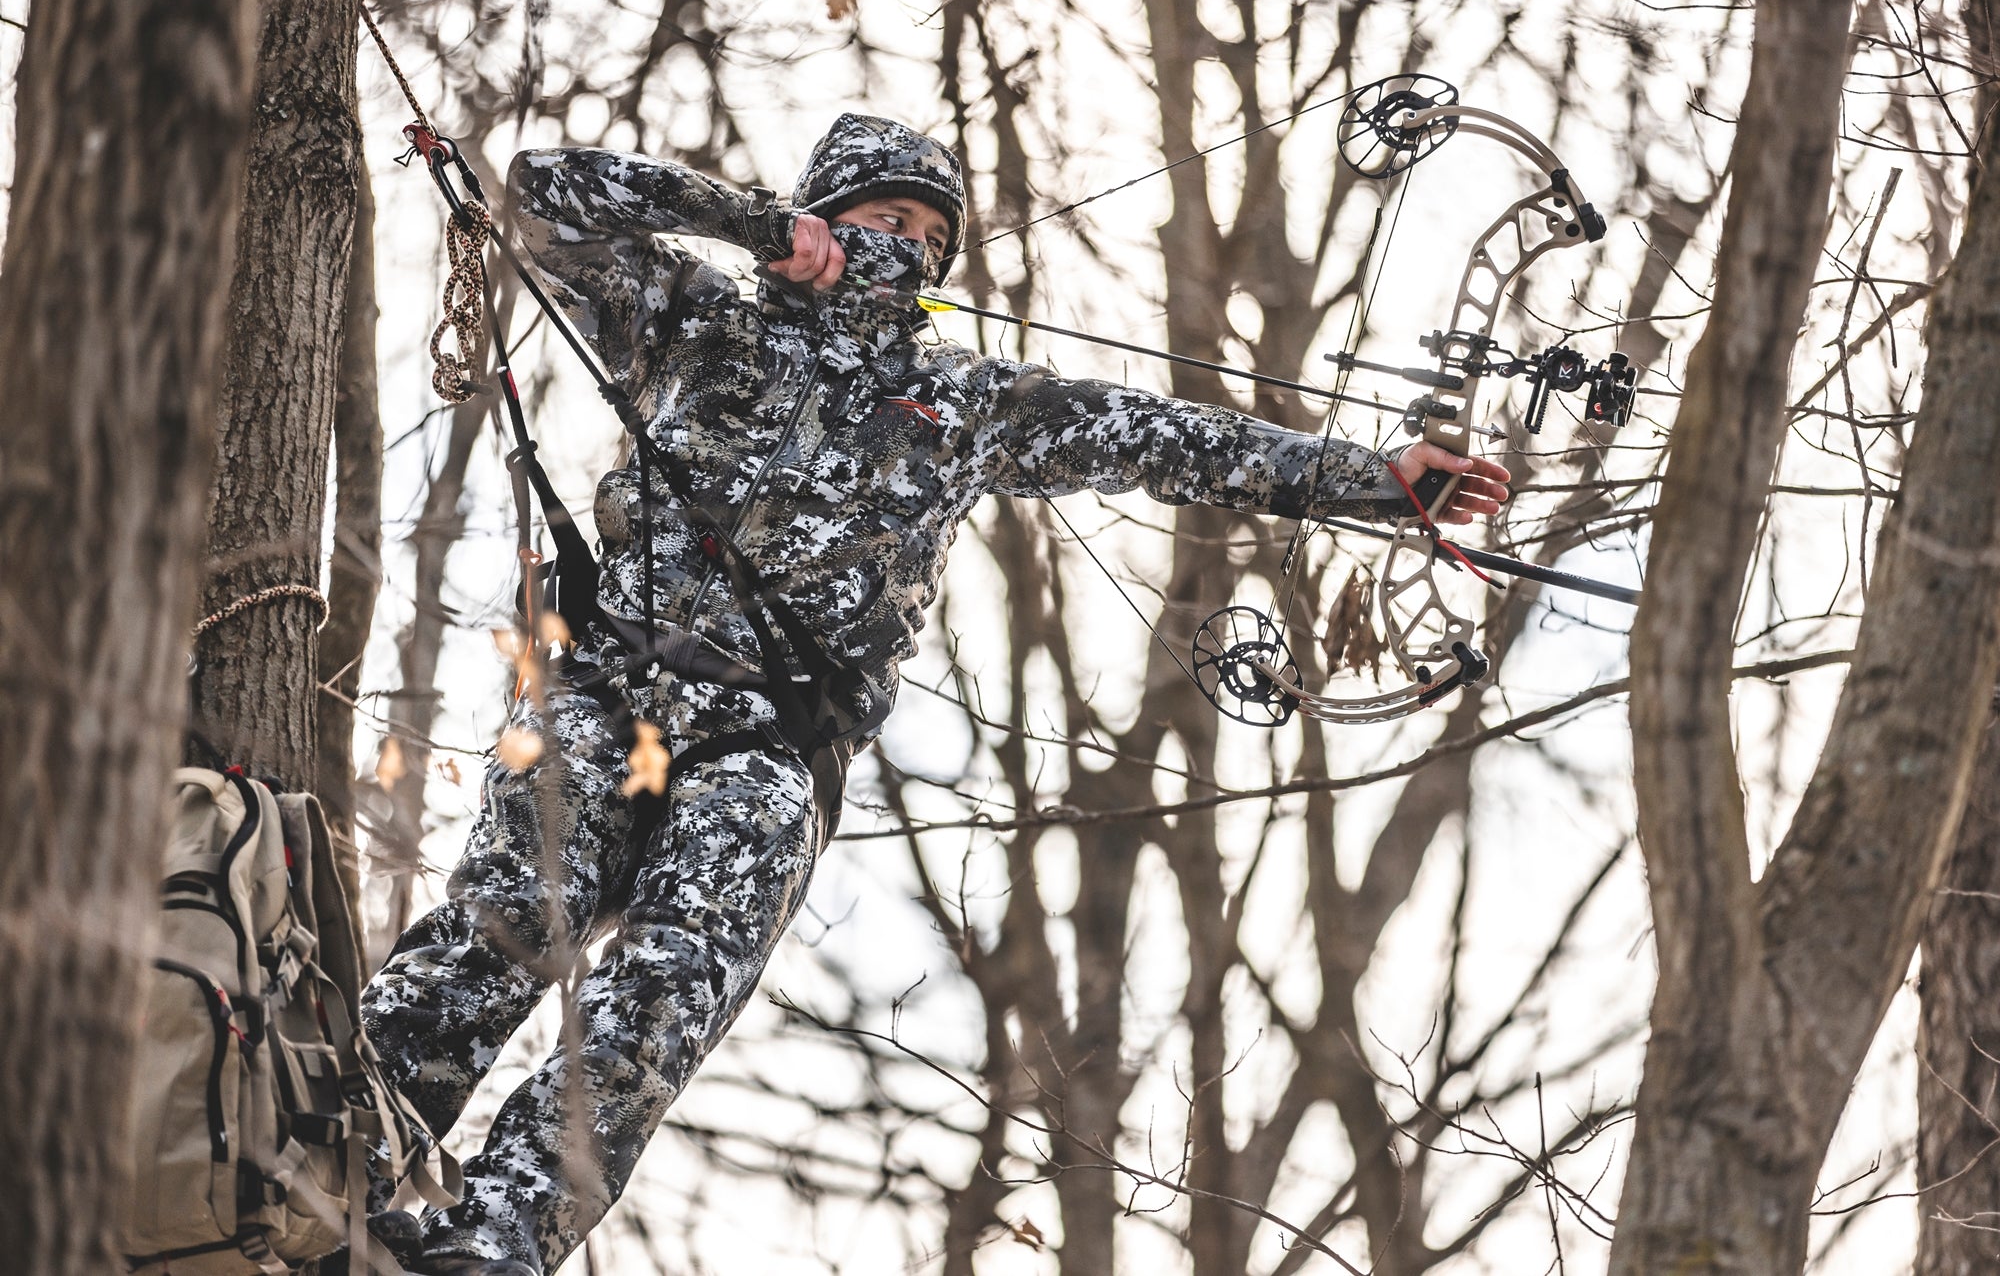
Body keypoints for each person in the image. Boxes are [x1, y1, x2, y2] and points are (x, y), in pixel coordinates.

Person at [353, 113, 1510, 1274]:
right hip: (607, 691)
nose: (902, 245)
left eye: (926, 233)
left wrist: (1374, 480)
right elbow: (544, 192)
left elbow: (1169, 438)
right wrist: (755, 230)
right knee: (496, 929)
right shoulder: (691, 314)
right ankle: (313, 1155)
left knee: (667, 981)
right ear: (820, 216)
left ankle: (488, 1242)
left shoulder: (960, 403)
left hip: (766, 743)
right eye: (878, 218)